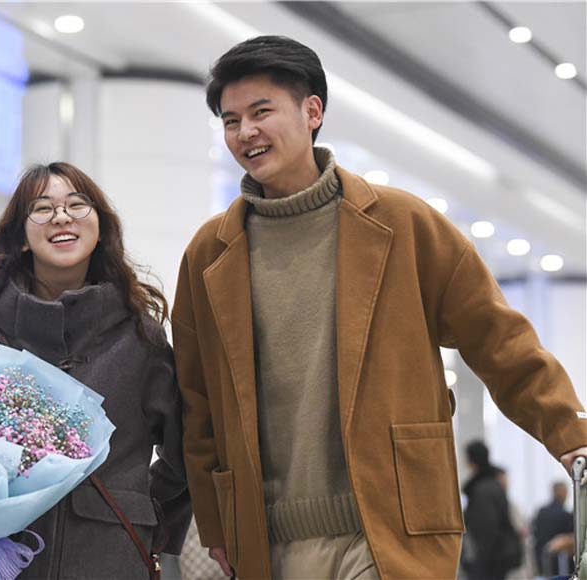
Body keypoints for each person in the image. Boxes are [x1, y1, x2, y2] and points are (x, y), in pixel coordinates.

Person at [171, 35, 587, 579]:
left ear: (312, 111)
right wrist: (216, 522)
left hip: (390, 525)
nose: (245, 131)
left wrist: (571, 434)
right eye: (230, 120)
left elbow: (498, 340)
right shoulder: (210, 254)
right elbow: (197, 402)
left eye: (261, 111)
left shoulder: (403, 224)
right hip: (266, 536)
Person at [0, 162, 191, 578]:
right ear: (22, 238)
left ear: (100, 228)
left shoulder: (140, 339)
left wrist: (146, 517)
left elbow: (185, 452)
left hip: (110, 559)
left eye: (77, 205)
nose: (62, 216)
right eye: (42, 208)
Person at [461, 442, 523, 580]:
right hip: (495, 560)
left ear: (471, 461)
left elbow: (487, 531)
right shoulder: (492, 485)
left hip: (488, 564)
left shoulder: (482, 490)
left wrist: (478, 564)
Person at [532, 481, 574, 576]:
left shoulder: (541, 512)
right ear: (563, 492)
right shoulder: (566, 515)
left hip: (541, 559)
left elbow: (535, 533)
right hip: (561, 564)